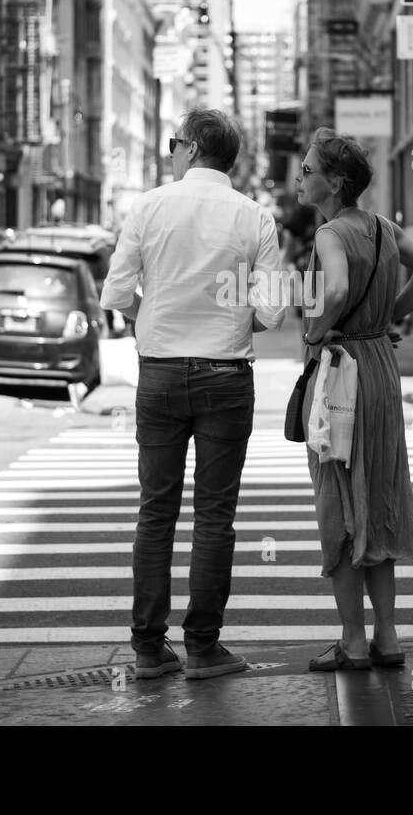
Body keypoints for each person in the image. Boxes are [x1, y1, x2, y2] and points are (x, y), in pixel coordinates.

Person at [101, 109, 286, 681]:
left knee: (156, 513)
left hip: (158, 374)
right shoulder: (256, 217)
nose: (170, 153)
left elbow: (116, 292)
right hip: (226, 377)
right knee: (215, 517)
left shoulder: (149, 206)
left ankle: (148, 648)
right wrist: (227, 322)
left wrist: (152, 317)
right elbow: (274, 311)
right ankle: (204, 647)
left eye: (173, 144)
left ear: (189, 149)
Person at [294, 128, 413, 670]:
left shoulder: (331, 234)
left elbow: (334, 290)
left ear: (334, 183)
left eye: (308, 170)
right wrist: (388, 318)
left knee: (338, 503)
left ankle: (352, 642)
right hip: (380, 368)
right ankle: (387, 637)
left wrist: (316, 333)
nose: (300, 177)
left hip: (342, 374)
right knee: (379, 498)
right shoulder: (383, 229)